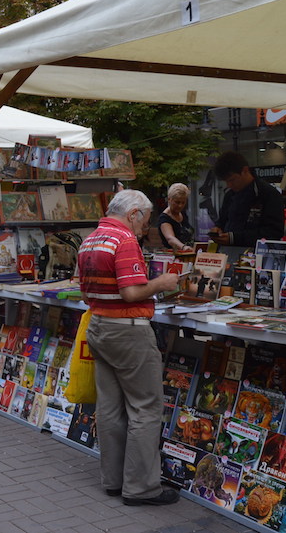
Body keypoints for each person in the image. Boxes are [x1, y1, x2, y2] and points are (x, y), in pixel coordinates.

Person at [76, 190, 181, 506]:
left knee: (109, 407)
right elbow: (133, 292)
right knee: (145, 408)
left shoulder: (90, 240)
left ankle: (113, 480)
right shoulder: (124, 241)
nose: (144, 228)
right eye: (145, 221)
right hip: (128, 332)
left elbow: (85, 293)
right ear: (133, 213)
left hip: (99, 327)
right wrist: (162, 284)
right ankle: (140, 488)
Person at [209, 151, 285, 247]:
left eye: (232, 180)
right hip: (227, 252)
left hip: (255, 255)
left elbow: (274, 232)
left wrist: (235, 238)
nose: (229, 185)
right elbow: (222, 221)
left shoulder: (268, 194)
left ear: (245, 171)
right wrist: (217, 229)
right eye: (226, 182)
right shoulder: (230, 195)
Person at [157, 183, 194, 252]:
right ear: (169, 199)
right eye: (177, 202)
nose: (180, 206)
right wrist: (183, 247)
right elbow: (170, 238)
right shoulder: (164, 218)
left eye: (183, 202)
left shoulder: (183, 214)